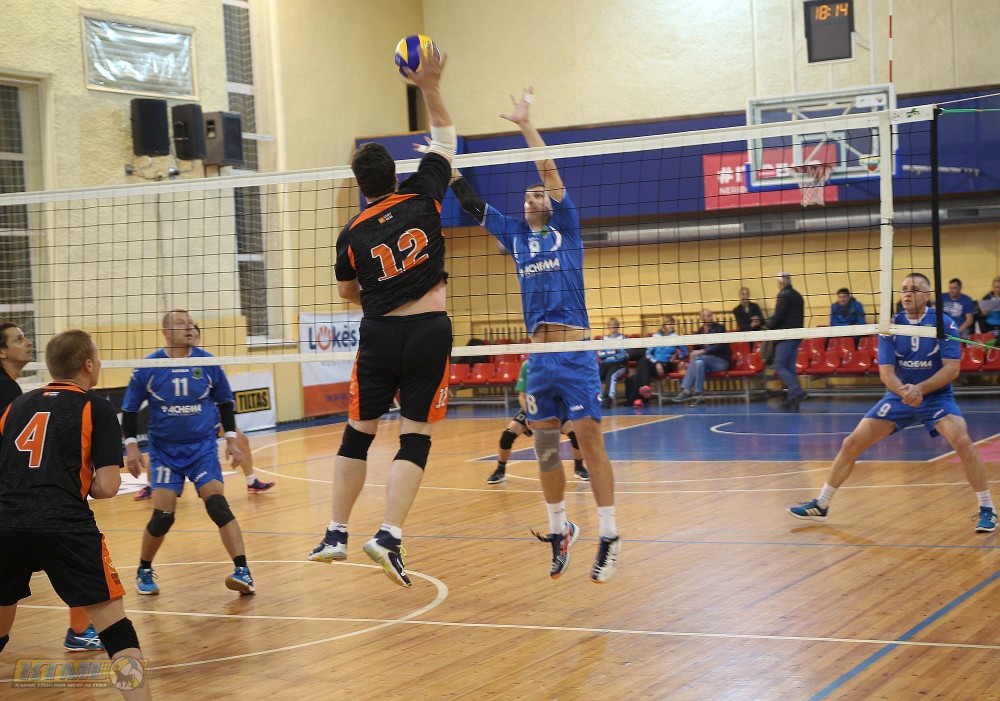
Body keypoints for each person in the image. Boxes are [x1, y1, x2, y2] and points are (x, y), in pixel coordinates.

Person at [449, 87, 621, 583]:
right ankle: (560, 528)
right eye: (526, 196)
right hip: (539, 359)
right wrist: (447, 164)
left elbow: (548, 170)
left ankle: (609, 533)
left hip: (574, 352)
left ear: (551, 202)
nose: (531, 198)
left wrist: (525, 124)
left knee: (589, 443)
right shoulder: (515, 235)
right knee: (544, 448)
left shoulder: (566, 226)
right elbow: (471, 204)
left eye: (538, 195)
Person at [307, 46, 454, 589]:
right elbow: (446, 140)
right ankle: (389, 534)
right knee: (414, 436)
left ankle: (335, 532)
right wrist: (429, 86)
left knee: (357, 433)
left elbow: (348, 289)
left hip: (378, 333)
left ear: (359, 183)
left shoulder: (351, 233)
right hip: (428, 332)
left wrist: (379, 298)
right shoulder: (423, 194)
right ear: (395, 174)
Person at [0, 330, 152, 700]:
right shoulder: (95, 407)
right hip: (64, 524)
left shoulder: (15, 406)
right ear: (87, 364)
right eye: (97, 358)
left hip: (7, 523)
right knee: (116, 630)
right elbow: (107, 487)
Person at [789, 272, 997, 533]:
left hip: (936, 396)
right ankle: (821, 504)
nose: (907, 293)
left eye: (914, 289)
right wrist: (905, 392)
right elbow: (886, 373)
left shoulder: (943, 323)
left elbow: (952, 369)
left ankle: (987, 508)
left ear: (927, 295)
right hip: (899, 395)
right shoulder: (891, 325)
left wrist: (920, 389)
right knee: (851, 443)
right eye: (904, 289)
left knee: (963, 441)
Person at [123, 310, 254, 596]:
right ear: (166, 332)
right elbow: (129, 410)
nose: (188, 327)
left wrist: (232, 441)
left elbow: (226, 403)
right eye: (180, 323)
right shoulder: (148, 367)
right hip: (164, 451)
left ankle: (243, 571)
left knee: (217, 505)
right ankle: (144, 569)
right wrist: (131, 447)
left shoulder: (207, 362)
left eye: (190, 323)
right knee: (163, 516)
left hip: (202, 448)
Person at [0, 322, 105, 653]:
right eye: (18, 339)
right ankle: (81, 631)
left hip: (18, 506)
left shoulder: (16, 393)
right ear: (2, 351)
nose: (27, 342)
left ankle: (80, 629)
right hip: (32, 506)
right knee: (73, 552)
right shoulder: (10, 395)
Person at [132, 322, 274, 500]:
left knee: (241, 440)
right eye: (187, 333)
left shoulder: (206, 362)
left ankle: (252, 481)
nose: (190, 336)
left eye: (194, 334)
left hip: (208, 417)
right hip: (177, 419)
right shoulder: (165, 362)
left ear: (198, 338)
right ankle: (150, 486)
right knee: (163, 447)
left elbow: (220, 396)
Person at [487, 360, 588, 484]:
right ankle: (500, 471)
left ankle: (579, 468)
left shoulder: (559, 362)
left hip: (556, 409)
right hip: (532, 409)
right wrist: (530, 416)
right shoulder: (527, 365)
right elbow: (522, 396)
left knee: (575, 435)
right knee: (507, 436)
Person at [671, 309, 730, 406]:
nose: (710, 318)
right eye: (707, 316)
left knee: (698, 358)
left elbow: (721, 346)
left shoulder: (720, 328)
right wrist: (694, 357)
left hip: (721, 361)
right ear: (702, 318)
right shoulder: (699, 332)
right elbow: (695, 350)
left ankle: (686, 390)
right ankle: (700, 396)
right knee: (699, 363)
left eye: (710, 315)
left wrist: (703, 351)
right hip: (705, 363)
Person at [765, 272, 807, 408]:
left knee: (780, 365)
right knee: (790, 367)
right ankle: (793, 399)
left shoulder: (783, 295)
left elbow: (779, 316)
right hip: (797, 335)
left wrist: (766, 324)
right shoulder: (798, 295)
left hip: (785, 335)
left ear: (781, 283)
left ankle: (797, 391)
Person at [628, 316, 688, 408]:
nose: (671, 326)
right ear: (663, 325)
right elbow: (648, 353)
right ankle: (644, 392)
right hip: (655, 364)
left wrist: (677, 355)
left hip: (667, 364)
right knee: (642, 362)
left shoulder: (675, 337)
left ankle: (640, 398)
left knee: (641, 370)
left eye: (673, 324)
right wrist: (656, 363)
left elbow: (686, 352)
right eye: (669, 324)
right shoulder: (656, 337)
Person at [596, 318, 628, 408]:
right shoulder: (603, 338)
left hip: (619, 364)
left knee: (611, 375)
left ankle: (608, 400)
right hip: (605, 364)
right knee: (596, 374)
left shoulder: (622, 338)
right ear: (608, 327)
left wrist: (608, 354)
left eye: (615, 324)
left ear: (618, 326)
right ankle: (595, 399)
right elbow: (600, 354)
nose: (613, 326)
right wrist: (614, 352)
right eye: (611, 324)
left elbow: (623, 354)